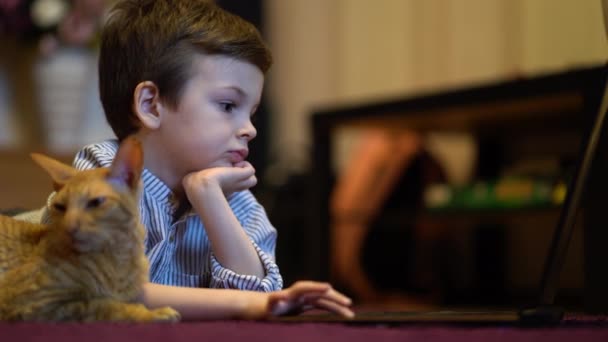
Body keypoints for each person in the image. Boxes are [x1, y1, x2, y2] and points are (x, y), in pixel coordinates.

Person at [40, 0, 353, 320]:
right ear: (151, 105)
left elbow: (262, 300)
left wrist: (208, 196)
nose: (249, 129)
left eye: (252, 113)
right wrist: (246, 305)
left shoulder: (234, 198)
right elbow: (99, 288)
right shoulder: (104, 172)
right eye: (229, 105)